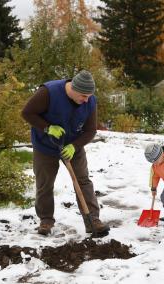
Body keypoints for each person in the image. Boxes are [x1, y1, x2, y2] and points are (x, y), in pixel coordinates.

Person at [21, 70, 110, 236]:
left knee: (83, 181)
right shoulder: (48, 92)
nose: (86, 100)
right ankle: (46, 220)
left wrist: (74, 146)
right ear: (73, 89)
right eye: (83, 96)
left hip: (72, 145)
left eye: (89, 96)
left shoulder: (89, 102)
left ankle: (93, 220)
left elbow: (90, 131)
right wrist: (47, 128)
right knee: (45, 184)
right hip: (45, 146)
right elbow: (27, 113)